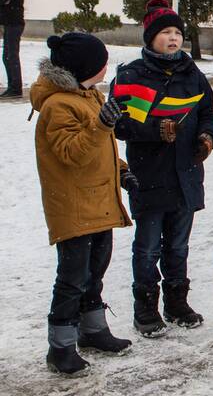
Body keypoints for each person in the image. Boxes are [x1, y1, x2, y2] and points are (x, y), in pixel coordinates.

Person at [111, 0, 213, 336]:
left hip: (185, 173)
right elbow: (119, 125)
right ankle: (145, 308)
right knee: (148, 247)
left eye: (177, 32)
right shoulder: (131, 75)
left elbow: (208, 113)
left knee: (178, 245)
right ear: (150, 37)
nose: (173, 38)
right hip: (149, 174)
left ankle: (176, 302)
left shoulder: (192, 73)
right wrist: (154, 130)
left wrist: (206, 138)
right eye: (165, 33)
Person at [32, 33, 134, 376]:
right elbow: (74, 153)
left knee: (95, 271)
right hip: (74, 206)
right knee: (72, 277)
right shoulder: (58, 105)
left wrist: (122, 172)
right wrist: (102, 123)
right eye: (101, 63)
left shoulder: (89, 94)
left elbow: (101, 149)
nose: (106, 68)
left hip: (99, 201)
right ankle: (60, 346)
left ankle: (92, 330)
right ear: (84, 68)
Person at [0, 0, 25, 98]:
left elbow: (3, 0)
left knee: (11, 56)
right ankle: (13, 86)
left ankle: (15, 88)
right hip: (10, 23)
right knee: (7, 56)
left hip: (14, 24)